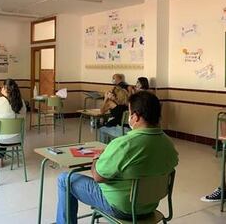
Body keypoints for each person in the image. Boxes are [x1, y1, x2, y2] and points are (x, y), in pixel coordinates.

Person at [56, 91, 178, 224]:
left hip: (121, 208)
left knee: (65, 179)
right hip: (149, 207)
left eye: (130, 112)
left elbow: (98, 177)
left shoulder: (125, 144)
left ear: (135, 117)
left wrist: (97, 159)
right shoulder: (168, 143)